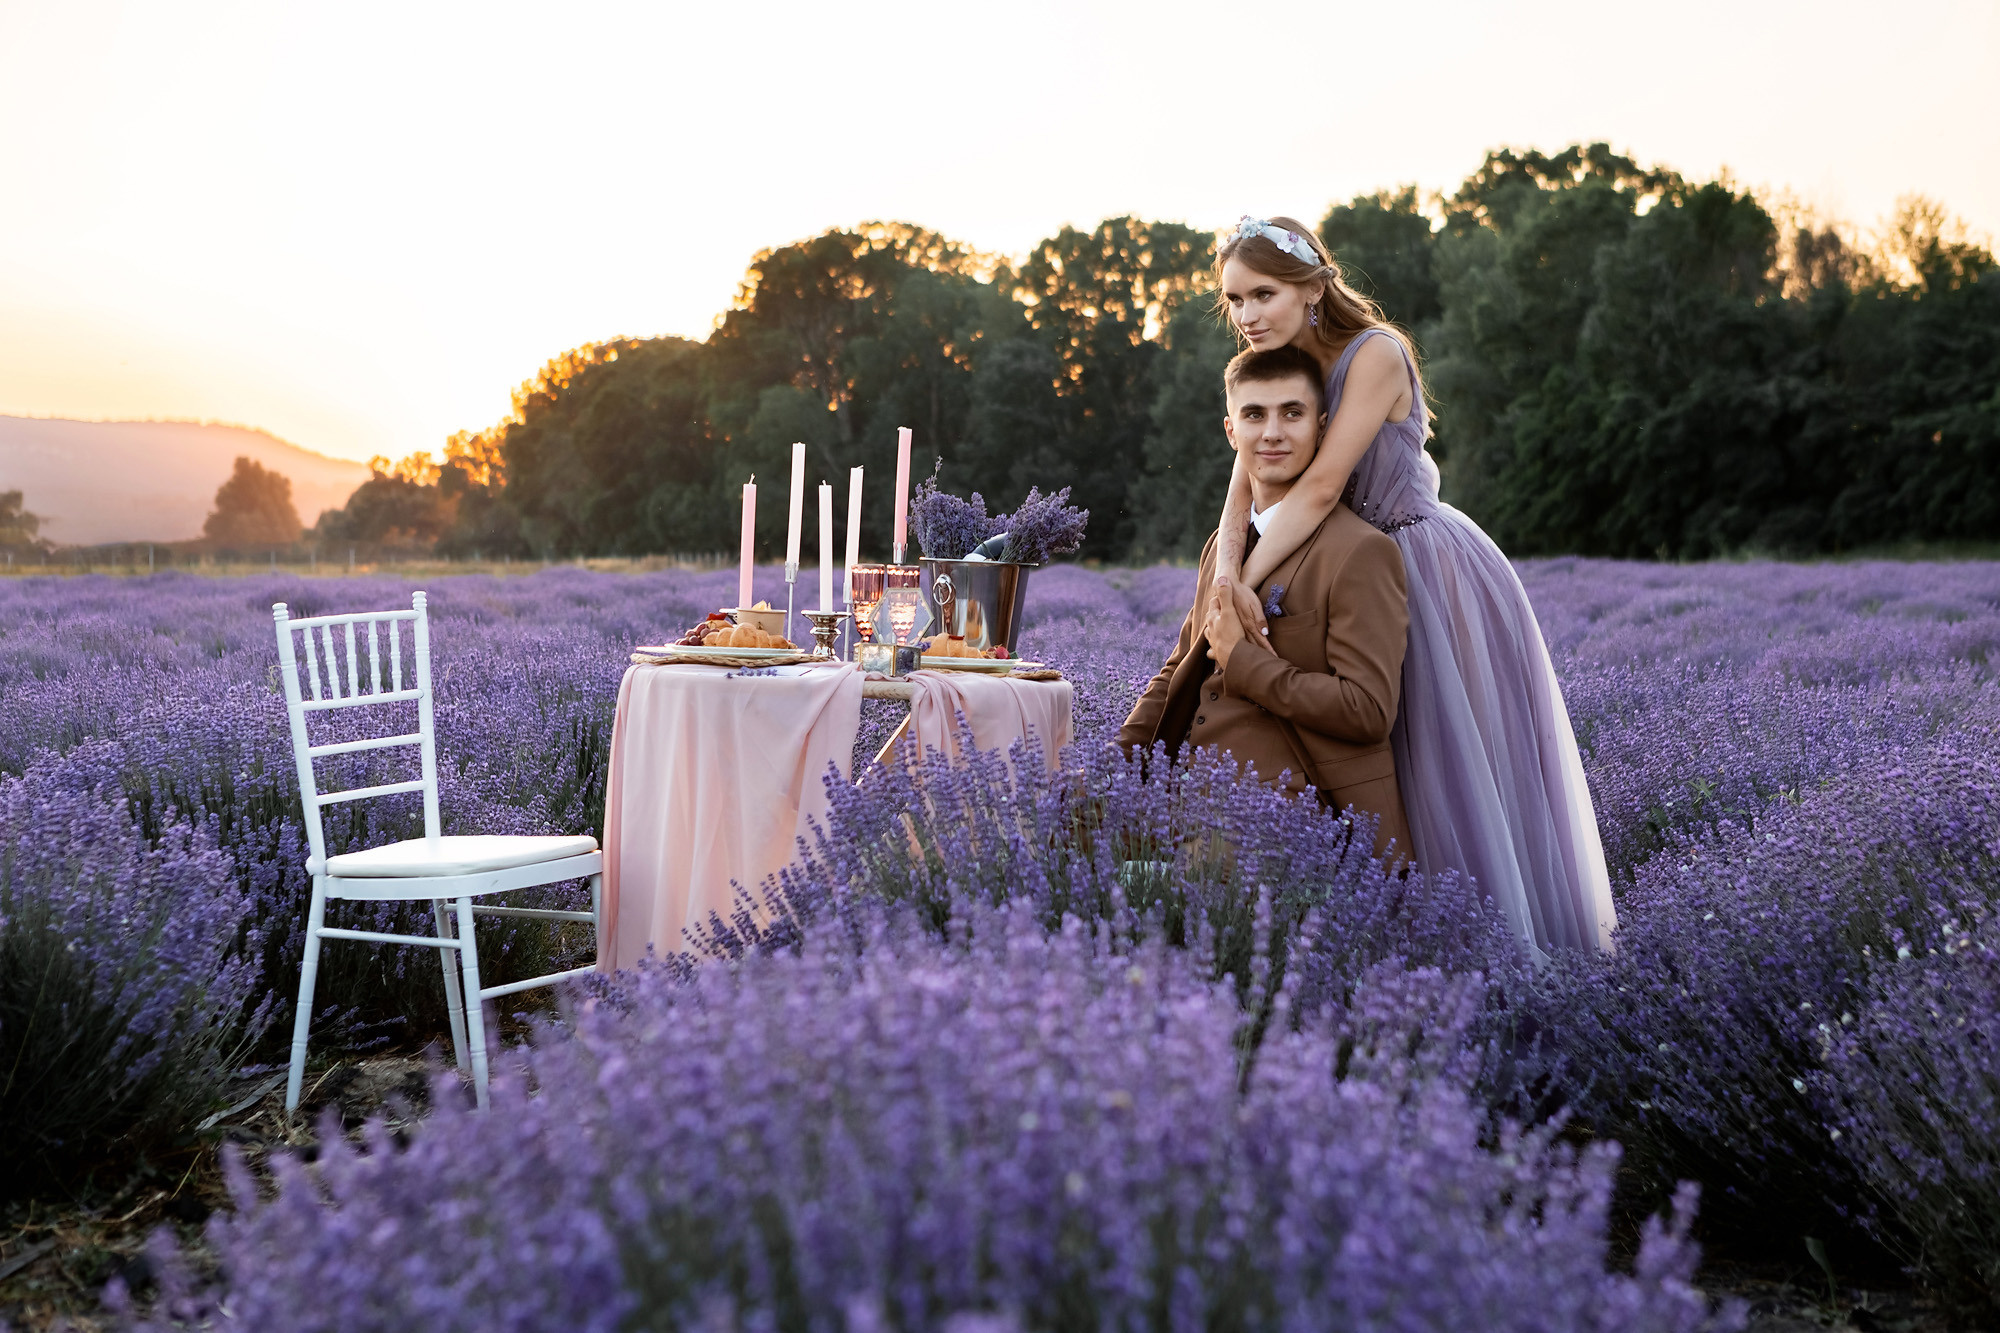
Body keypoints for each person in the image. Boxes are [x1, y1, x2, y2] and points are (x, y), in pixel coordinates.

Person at [1207, 215, 1616, 956]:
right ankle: (1396, 953)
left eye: (1261, 293)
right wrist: (1225, 582)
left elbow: (1326, 484)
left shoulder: (1377, 355)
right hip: (1345, 572)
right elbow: (1243, 491)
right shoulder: (1282, 366)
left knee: (1440, 763)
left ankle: (1495, 963)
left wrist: (1240, 589)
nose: (1247, 316)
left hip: (1424, 567)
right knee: (1368, 767)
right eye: (1234, 301)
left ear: (1312, 285)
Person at [1118, 344, 1413, 865]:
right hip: (1189, 796)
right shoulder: (1224, 549)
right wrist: (1114, 765)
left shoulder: (1360, 553)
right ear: (1231, 431)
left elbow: (1367, 711)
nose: (1272, 432)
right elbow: (1178, 669)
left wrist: (1245, 662)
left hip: (1291, 811)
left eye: (1292, 413)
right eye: (1254, 415)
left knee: (1195, 875)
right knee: (1058, 825)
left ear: (1322, 427)